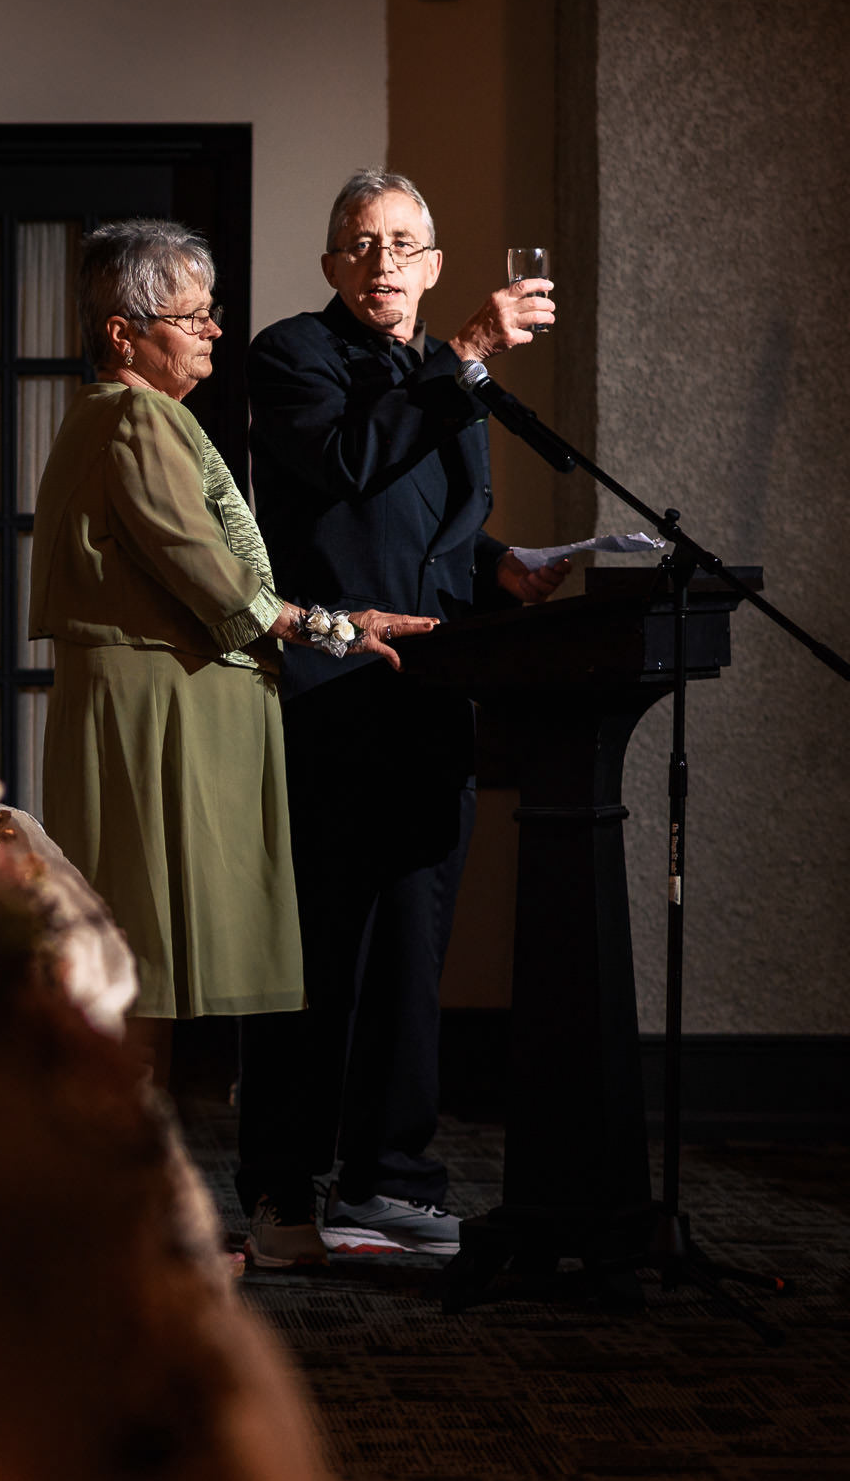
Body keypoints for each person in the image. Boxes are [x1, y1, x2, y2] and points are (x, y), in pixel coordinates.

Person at [234, 169, 568, 1268]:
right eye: (362, 242)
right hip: (330, 697)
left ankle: (393, 1179)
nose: (383, 261)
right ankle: (285, 1182)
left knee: (412, 949)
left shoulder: (437, 372)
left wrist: (499, 563)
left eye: (404, 242)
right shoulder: (292, 358)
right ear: (333, 264)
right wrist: (467, 350)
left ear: (430, 262)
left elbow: (418, 525)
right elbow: (345, 465)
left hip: (430, 696)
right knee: (317, 950)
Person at [27, 220, 431, 1083]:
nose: (215, 329)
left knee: (145, 968)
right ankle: (124, 1197)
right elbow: (207, 572)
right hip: (151, 714)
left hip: (158, 703)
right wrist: (334, 627)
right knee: (133, 965)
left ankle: (138, 1188)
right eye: (193, 314)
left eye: (212, 311)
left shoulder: (132, 415)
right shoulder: (135, 416)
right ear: (122, 333)